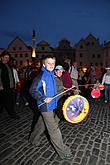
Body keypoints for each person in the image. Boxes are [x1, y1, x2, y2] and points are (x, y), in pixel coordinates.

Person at [29, 55, 72, 160]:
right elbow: (32, 90)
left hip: (52, 104)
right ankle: (63, 151)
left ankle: (33, 139)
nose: (51, 65)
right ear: (44, 64)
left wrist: (66, 88)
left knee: (42, 123)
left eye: (53, 63)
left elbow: (54, 88)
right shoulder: (41, 76)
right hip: (45, 105)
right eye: (49, 63)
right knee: (53, 129)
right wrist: (43, 98)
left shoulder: (52, 74)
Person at [0, 50, 19, 119]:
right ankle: (12, 114)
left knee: (3, 100)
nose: (7, 59)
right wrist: (0, 85)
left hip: (10, 86)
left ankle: (2, 110)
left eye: (8, 58)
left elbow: (11, 76)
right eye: (5, 57)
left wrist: (14, 84)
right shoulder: (0, 65)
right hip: (4, 87)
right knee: (9, 101)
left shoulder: (8, 65)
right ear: (2, 57)